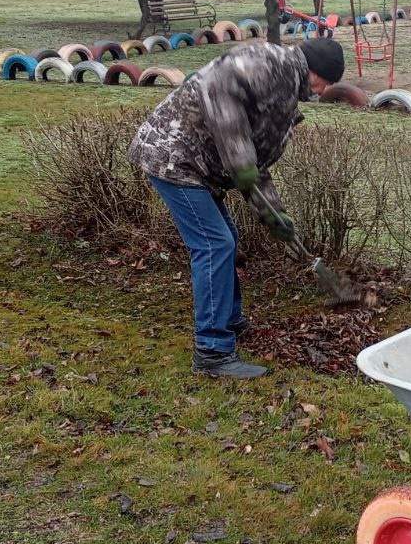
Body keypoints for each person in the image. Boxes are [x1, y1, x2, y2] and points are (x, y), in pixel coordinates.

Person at [128, 36, 346, 379]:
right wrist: (246, 176)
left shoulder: (285, 78)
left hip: (199, 163)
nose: (323, 91)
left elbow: (255, 154)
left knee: (225, 236)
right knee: (215, 245)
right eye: (326, 81)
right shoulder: (269, 67)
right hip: (173, 157)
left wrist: (273, 213)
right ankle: (212, 351)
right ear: (314, 70)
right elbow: (227, 118)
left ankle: (228, 318)